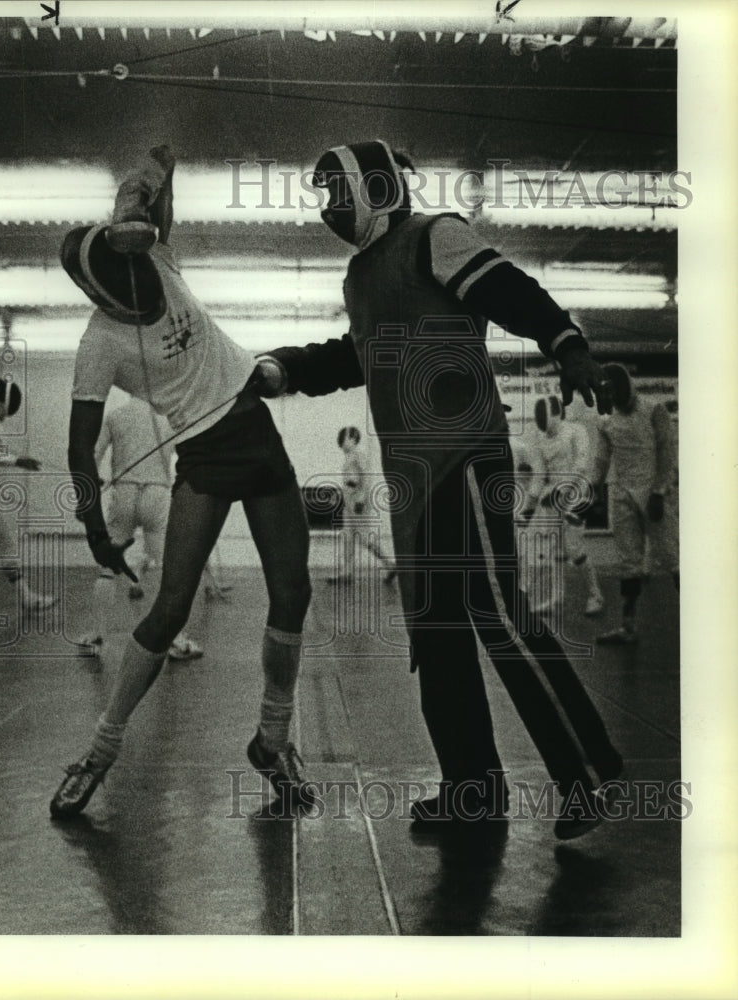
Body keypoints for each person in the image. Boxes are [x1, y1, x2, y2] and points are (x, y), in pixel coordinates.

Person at [256, 140, 623, 839]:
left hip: (463, 458)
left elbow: (507, 289)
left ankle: (585, 770)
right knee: (437, 634)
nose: (327, 207)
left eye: (338, 191)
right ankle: (472, 793)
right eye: (320, 194)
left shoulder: (435, 234)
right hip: (415, 482)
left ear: (374, 186)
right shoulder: (360, 274)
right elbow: (354, 354)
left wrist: (565, 341)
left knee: (496, 613)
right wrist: (281, 370)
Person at [50, 145, 313, 819]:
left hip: (256, 431)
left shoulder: (155, 259)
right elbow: (80, 446)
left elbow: (161, 204)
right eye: (125, 288)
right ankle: (99, 752)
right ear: (100, 293)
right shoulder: (96, 344)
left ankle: (272, 741)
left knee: (293, 590)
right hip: (200, 454)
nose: (142, 293)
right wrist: (89, 527)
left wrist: (153, 170)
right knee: (169, 609)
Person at [78, 394, 204, 661]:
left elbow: (91, 456)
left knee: (108, 569)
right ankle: (175, 641)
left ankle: (95, 635)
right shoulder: (170, 417)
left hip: (123, 492)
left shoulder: (115, 416)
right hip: (157, 495)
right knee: (166, 569)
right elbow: (192, 458)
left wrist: (91, 487)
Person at [592, 363, 679, 644]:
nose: (610, 396)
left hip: (654, 495)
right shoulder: (606, 420)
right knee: (629, 564)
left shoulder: (654, 410)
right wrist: (593, 489)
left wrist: (659, 491)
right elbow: (601, 460)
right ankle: (627, 627)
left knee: (672, 558)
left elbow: (667, 454)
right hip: (623, 495)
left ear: (625, 385)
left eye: (613, 389)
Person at [0, 374, 57, 615]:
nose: (10, 411)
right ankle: (27, 598)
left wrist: (18, 459)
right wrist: (17, 460)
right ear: (2, 401)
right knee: (7, 541)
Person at [519, 395, 604, 618]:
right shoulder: (538, 437)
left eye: (544, 418)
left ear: (555, 414)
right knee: (542, 547)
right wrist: (528, 508)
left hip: (577, 492)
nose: (542, 426)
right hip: (551, 495)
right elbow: (539, 475)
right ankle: (553, 599)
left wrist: (561, 491)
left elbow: (581, 465)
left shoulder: (576, 431)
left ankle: (596, 596)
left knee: (573, 549)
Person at [329, 425, 396, 585]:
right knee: (347, 538)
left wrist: (360, 498)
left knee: (365, 538)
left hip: (359, 504)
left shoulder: (359, 455)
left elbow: (366, 478)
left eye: (343, 439)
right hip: (349, 503)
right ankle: (347, 573)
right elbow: (350, 481)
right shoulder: (349, 457)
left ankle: (390, 565)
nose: (341, 443)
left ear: (352, 439)